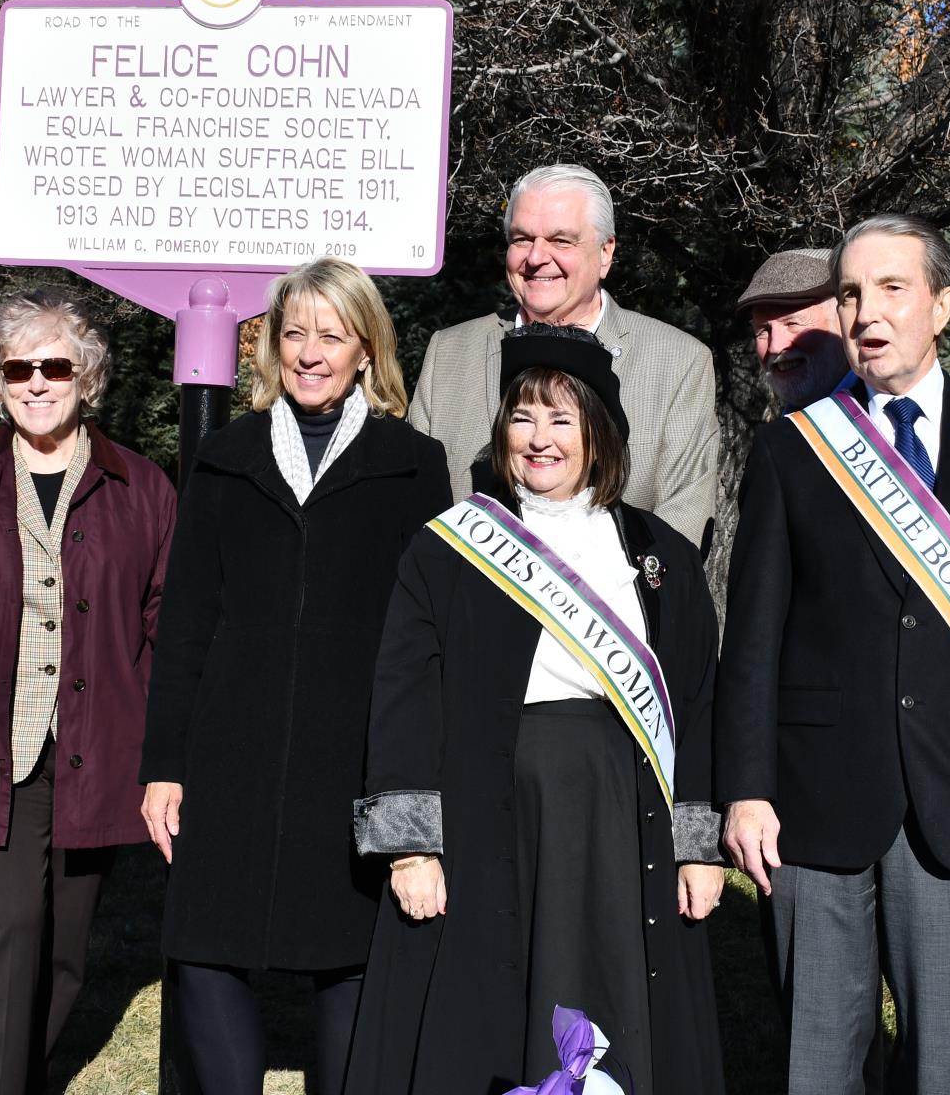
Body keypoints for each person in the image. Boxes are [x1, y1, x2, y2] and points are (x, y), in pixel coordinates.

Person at [346, 323, 726, 1095]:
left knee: (616, 988)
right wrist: (413, 849)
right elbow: (404, 699)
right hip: (492, 815)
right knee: (492, 1009)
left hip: (622, 818)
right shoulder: (449, 549)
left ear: (600, 432)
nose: (538, 439)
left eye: (562, 418)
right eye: (522, 417)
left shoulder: (660, 558)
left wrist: (697, 846)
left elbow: (694, 701)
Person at [717, 214, 950, 1095]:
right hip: (812, 795)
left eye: (893, 289)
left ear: (941, 303)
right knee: (819, 1059)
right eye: (853, 293)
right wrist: (746, 789)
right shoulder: (794, 448)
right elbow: (753, 635)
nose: (868, 312)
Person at [139, 258, 451, 1095]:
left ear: (366, 348)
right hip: (227, 754)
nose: (311, 352)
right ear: (271, 346)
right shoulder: (225, 458)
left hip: (352, 758)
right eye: (294, 333)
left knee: (349, 957)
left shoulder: (413, 464)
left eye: (332, 334)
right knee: (205, 945)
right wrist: (164, 763)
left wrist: (413, 780)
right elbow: (186, 623)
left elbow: (427, 639)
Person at [0, 287, 179, 1095]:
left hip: (96, 747)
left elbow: (163, 628)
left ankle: (18, 1076)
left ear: (86, 378)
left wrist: (165, 756)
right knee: (7, 925)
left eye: (54, 366)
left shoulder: (142, 489)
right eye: (17, 367)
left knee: (67, 949)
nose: (36, 382)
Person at [408, 163, 721, 548]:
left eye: (561, 240)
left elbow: (680, 532)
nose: (537, 257)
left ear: (605, 253)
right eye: (522, 239)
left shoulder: (677, 364)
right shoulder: (451, 354)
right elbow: (412, 509)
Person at [739, 247, 849, 413]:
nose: (774, 347)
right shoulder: (780, 433)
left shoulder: (889, 417)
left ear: (844, 321)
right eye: (763, 331)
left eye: (792, 324)